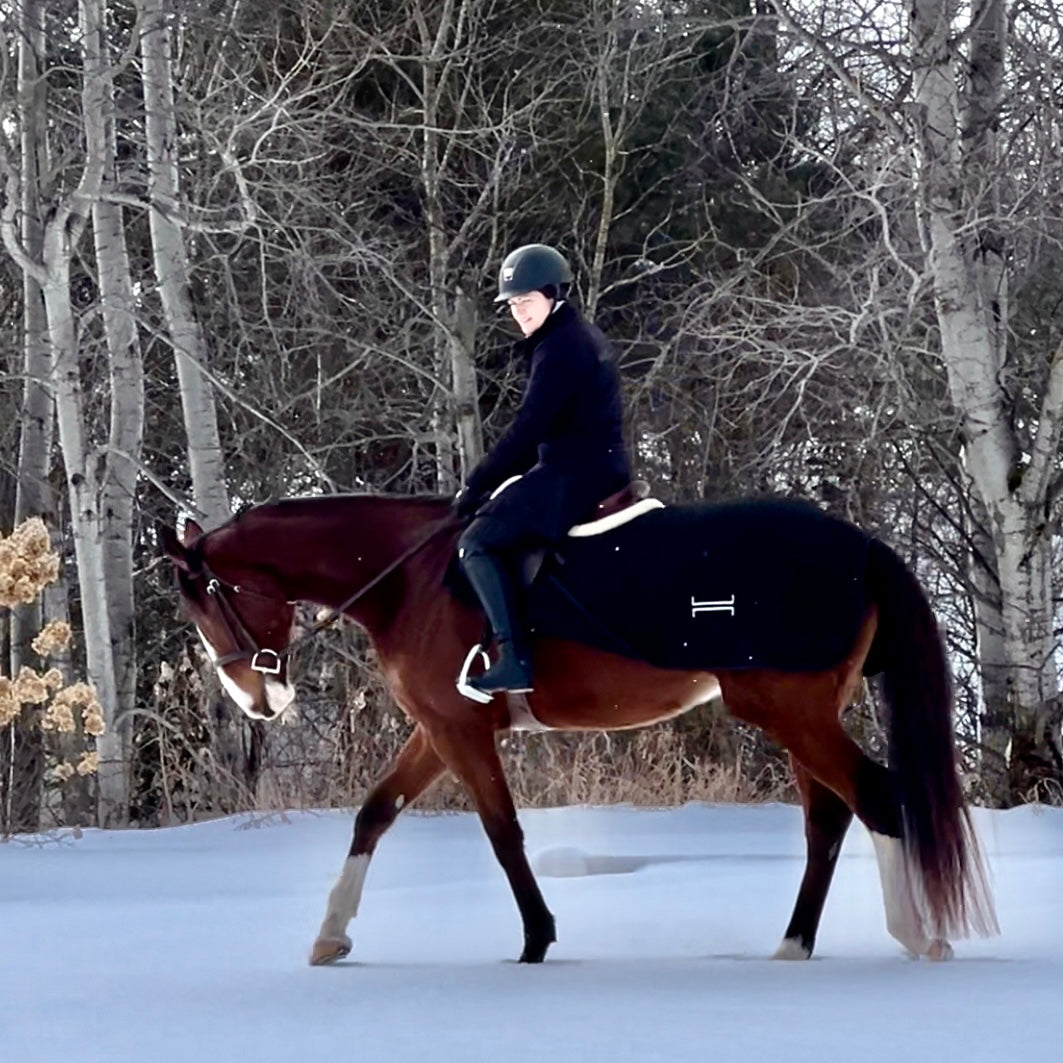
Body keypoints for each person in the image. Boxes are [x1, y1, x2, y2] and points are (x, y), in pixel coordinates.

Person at [454, 243, 633, 695]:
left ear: (554, 294)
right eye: (513, 305)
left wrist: (476, 486)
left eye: (526, 302)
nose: (519, 313)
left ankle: (514, 658)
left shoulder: (562, 347)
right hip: (583, 464)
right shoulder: (565, 338)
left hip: (577, 471)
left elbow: (529, 428)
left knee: (476, 542)